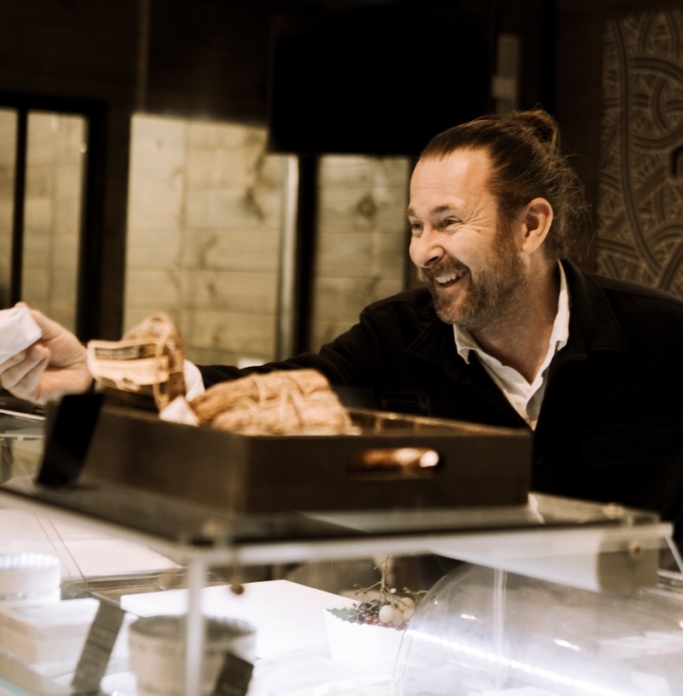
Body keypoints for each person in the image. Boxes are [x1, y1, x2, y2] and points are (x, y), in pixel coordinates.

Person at [3, 110, 683, 539]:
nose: (423, 252)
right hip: (456, 649)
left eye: (448, 222)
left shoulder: (662, 337)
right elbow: (265, 393)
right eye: (416, 227)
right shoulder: (394, 336)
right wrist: (90, 374)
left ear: (530, 225)